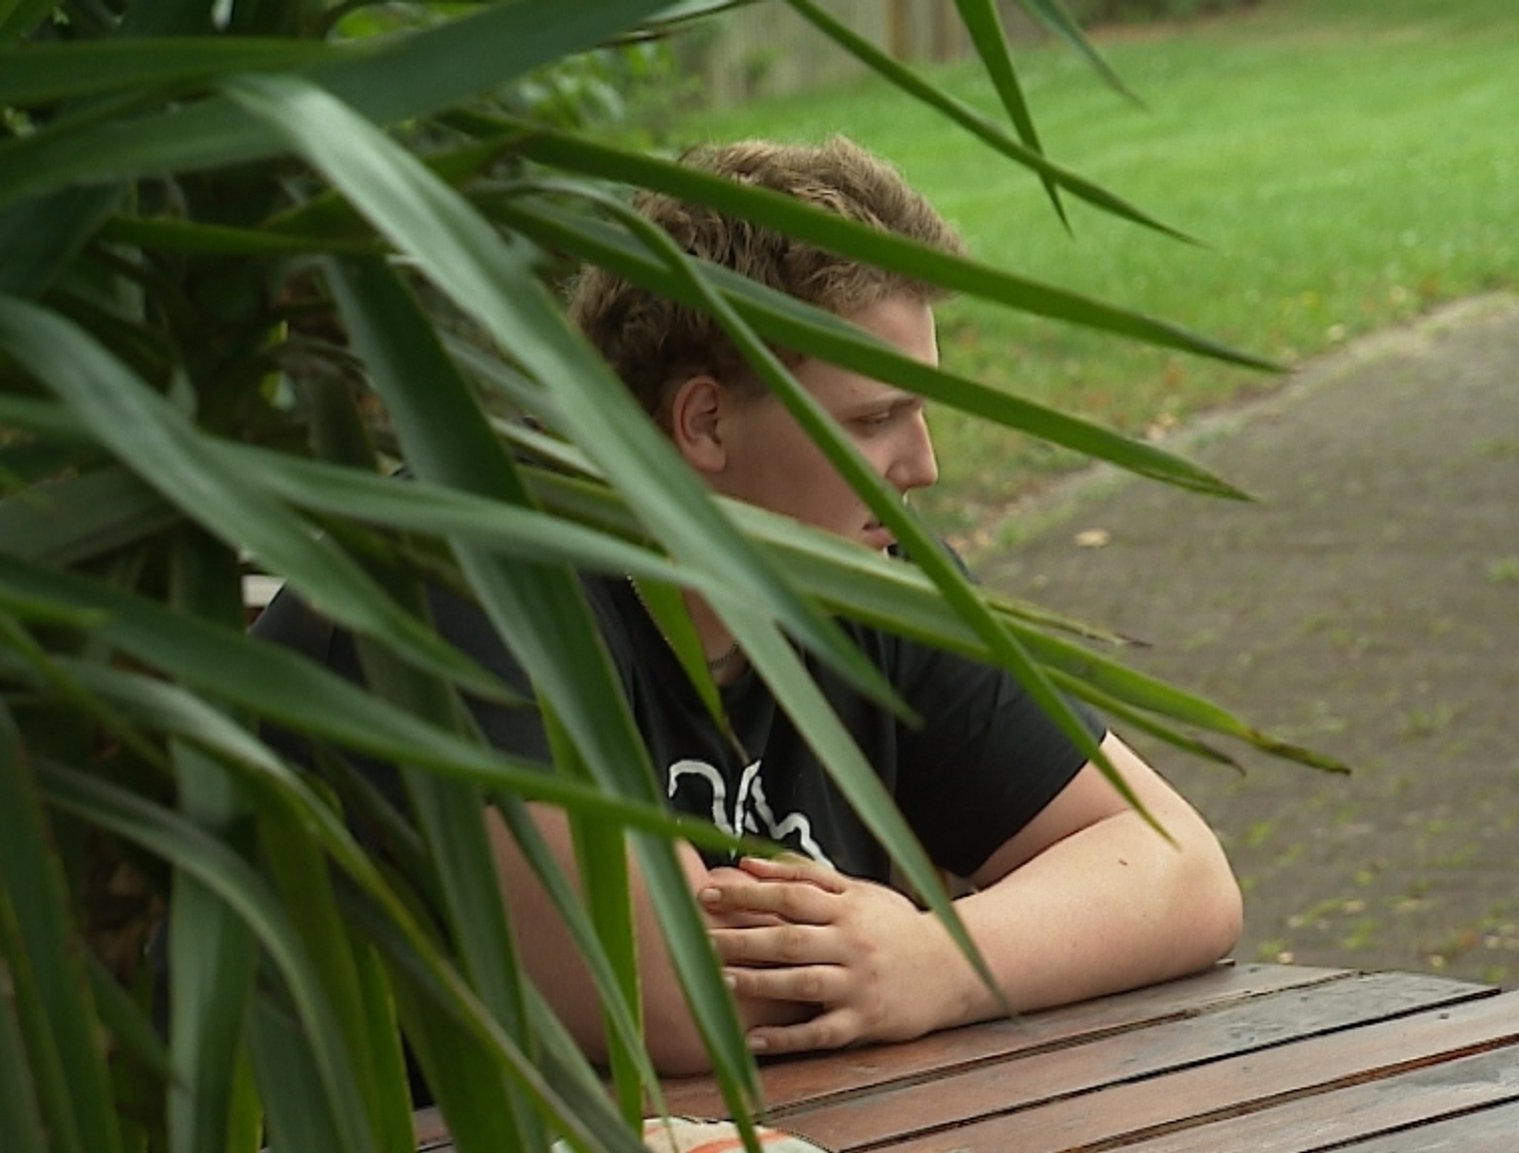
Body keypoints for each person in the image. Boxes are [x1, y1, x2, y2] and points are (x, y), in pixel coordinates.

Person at [255, 136, 1241, 1075]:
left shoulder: (869, 580)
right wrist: (944, 943)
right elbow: (691, 1003)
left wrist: (936, 961)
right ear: (706, 422)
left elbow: (1180, 875)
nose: (924, 466)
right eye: (872, 419)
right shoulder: (470, 570)